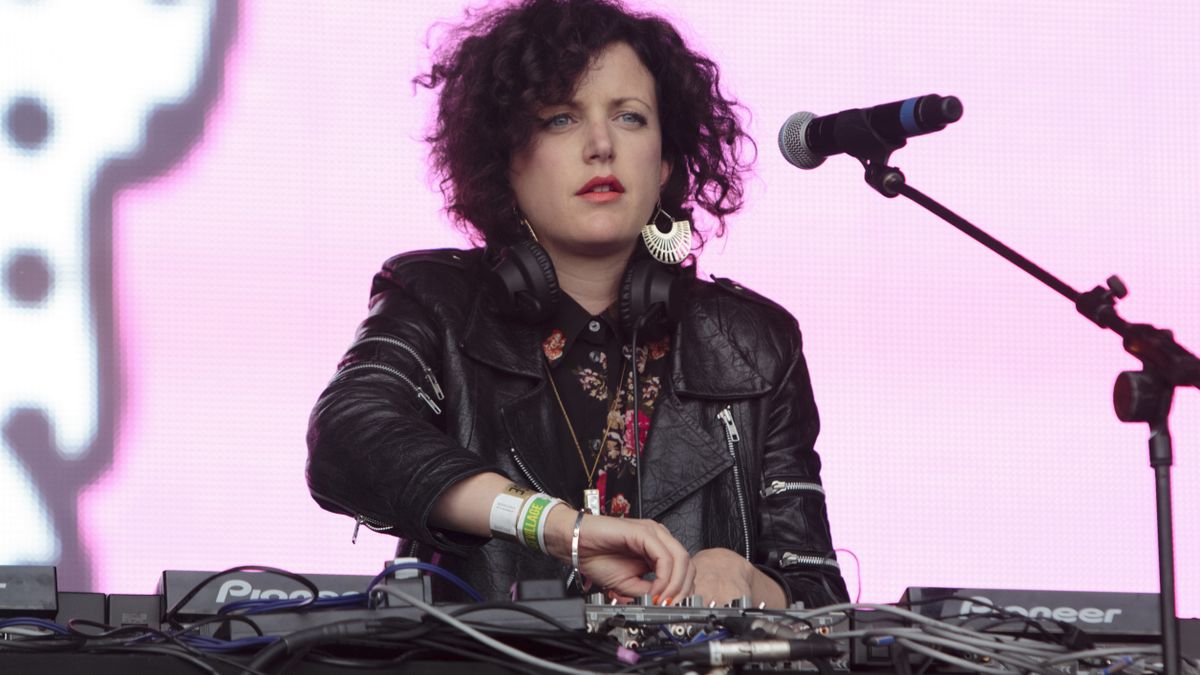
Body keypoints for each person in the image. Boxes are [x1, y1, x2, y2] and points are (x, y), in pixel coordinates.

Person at [306, 0, 849, 609]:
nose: (600, 145)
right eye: (561, 119)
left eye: (631, 118)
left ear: (666, 160)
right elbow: (347, 438)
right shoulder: (435, 301)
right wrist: (556, 525)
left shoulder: (754, 343)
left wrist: (747, 580)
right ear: (505, 158)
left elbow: (822, 602)